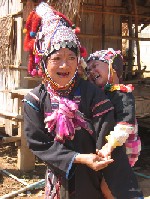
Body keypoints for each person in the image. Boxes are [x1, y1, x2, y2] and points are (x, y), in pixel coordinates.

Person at [23, 3, 115, 199]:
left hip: (93, 179)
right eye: (57, 58)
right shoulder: (34, 99)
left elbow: (106, 130)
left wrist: (104, 155)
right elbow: (39, 143)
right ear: (44, 61)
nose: (65, 65)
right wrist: (79, 158)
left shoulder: (91, 94)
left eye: (71, 57)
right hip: (57, 180)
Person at [86, 48, 142, 199]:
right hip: (110, 148)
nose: (91, 71)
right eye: (88, 68)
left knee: (110, 186)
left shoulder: (121, 93)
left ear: (112, 67)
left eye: (95, 65)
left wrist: (109, 146)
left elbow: (125, 125)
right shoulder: (101, 94)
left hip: (124, 148)